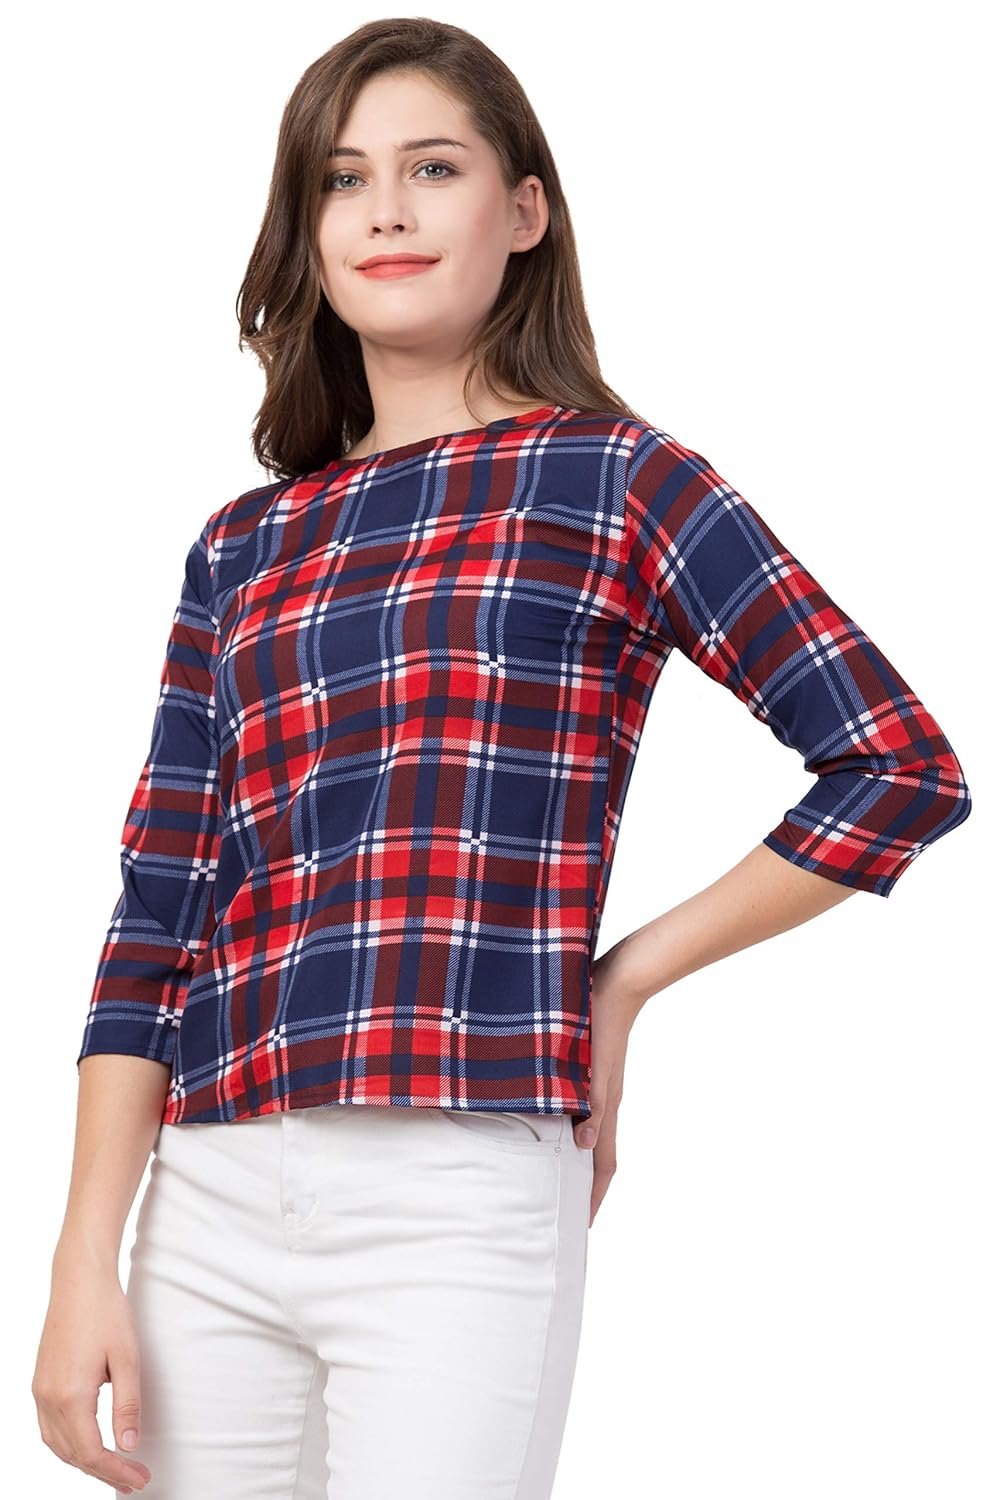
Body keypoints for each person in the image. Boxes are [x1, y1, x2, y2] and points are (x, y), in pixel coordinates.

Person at [32, 18, 972, 1500]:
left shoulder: (613, 478)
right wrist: (85, 1253)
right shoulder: (245, 543)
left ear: (523, 210)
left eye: (433, 168)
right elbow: (159, 909)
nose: (386, 212)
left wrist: (621, 981)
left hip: (458, 1183)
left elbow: (895, 766)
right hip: (206, 1188)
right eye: (344, 179)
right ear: (309, 230)